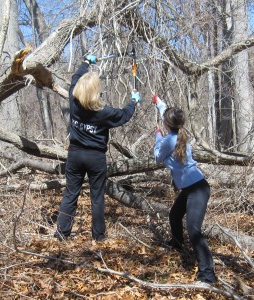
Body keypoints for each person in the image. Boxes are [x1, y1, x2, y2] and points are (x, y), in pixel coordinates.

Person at [54, 54, 141, 242]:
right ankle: (98, 237)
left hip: (75, 155)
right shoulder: (104, 113)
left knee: (70, 194)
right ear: (95, 91)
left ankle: (62, 234)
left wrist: (85, 61)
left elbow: (75, 78)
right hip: (95, 158)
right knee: (97, 197)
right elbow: (124, 115)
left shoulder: (73, 99)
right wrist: (133, 102)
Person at [153, 95, 217, 284]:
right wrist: (158, 102)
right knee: (174, 215)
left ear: (166, 124)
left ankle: (208, 274)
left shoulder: (168, 140)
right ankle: (177, 245)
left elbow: (157, 157)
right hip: (192, 187)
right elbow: (168, 114)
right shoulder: (178, 132)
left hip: (197, 189)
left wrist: (157, 135)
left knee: (194, 230)